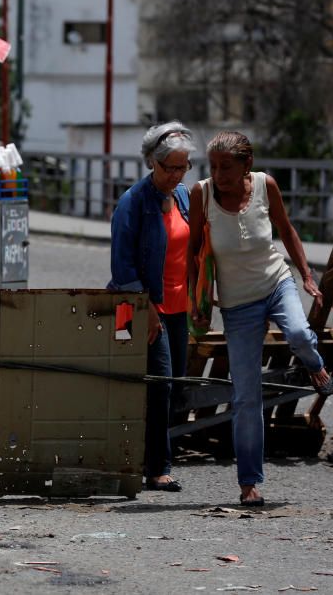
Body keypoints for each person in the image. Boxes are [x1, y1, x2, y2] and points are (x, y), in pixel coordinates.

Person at [188, 131, 332, 507]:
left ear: (246, 165)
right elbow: (193, 253)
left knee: (300, 334)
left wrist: (305, 275)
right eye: (213, 166)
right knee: (246, 396)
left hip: (276, 283)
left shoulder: (266, 186)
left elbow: (286, 230)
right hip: (237, 306)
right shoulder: (200, 194)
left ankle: (315, 364)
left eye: (226, 167)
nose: (218, 174)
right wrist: (196, 300)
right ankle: (249, 482)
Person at [108, 121, 196, 493]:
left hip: (177, 307)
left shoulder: (183, 198)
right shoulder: (133, 203)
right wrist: (148, 311)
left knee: (173, 385)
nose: (176, 175)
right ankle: (156, 467)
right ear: (152, 164)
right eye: (169, 168)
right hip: (137, 307)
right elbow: (123, 266)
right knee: (155, 384)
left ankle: (145, 457)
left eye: (183, 167)